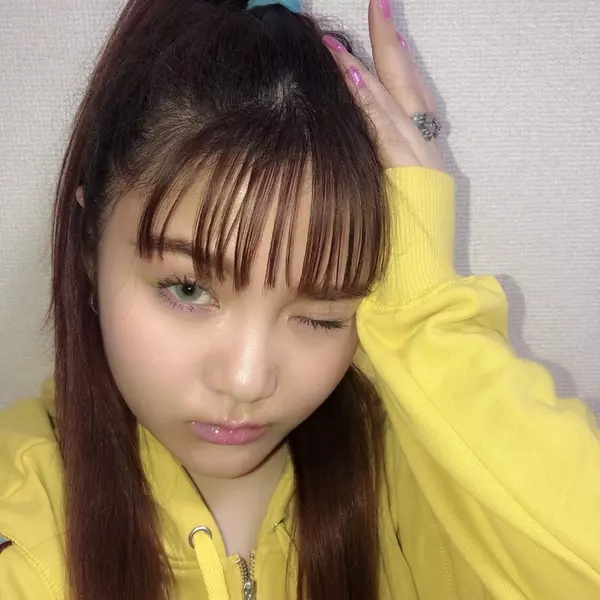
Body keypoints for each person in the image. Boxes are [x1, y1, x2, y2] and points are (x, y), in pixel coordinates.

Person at [1, 0, 599, 598]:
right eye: (189, 289)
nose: (246, 380)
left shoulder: (415, 471)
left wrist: (426, 316)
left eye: (320, 314)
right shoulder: (21, 515)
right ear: (89, 244)